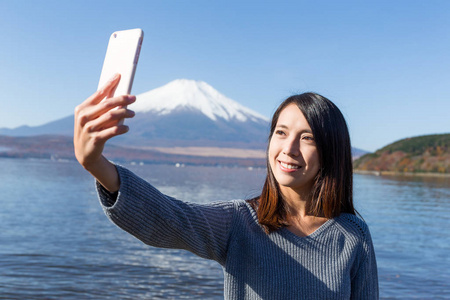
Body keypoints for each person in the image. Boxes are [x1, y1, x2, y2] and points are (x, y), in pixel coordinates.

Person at [74, 74, 379, 299]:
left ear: (331, 150)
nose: (289, 148)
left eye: (308, 137)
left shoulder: (352, 235)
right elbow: (171, 218)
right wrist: (97, 165)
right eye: (281, 133)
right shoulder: (241, 222)